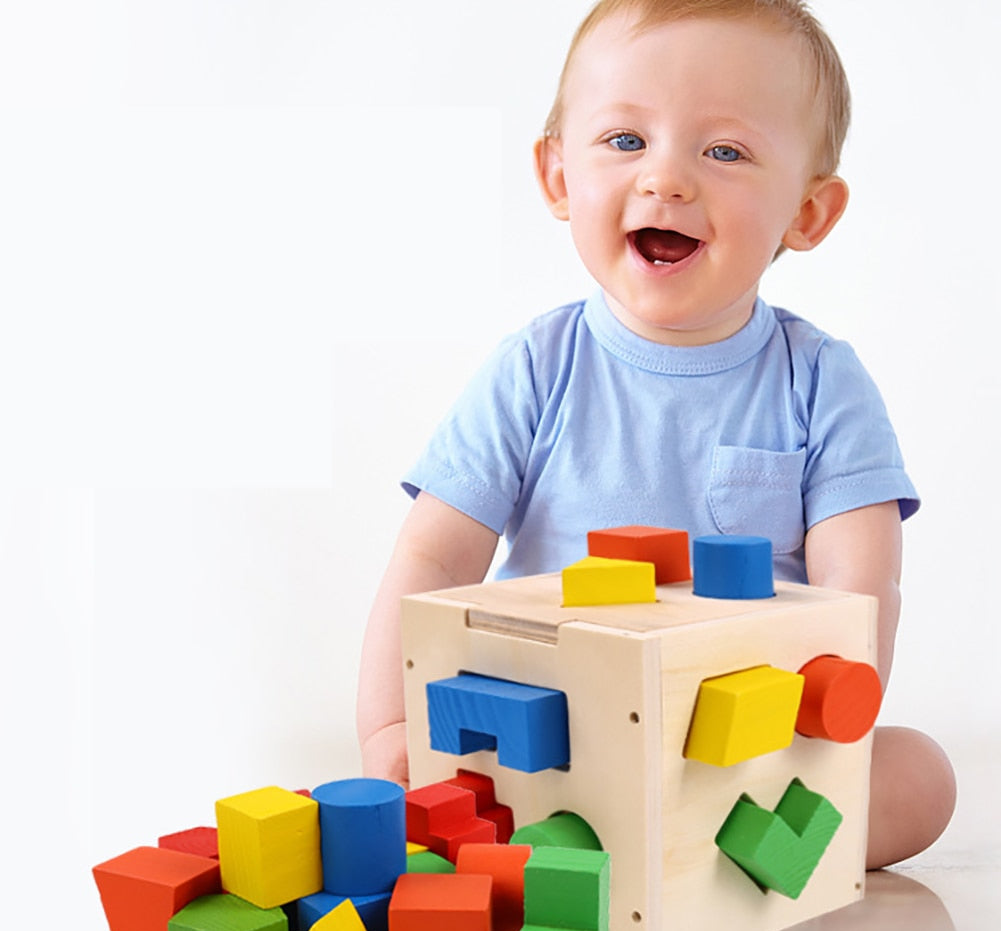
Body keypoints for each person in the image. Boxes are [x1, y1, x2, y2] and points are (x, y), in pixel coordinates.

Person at [356, 0, 956, 869]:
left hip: (742, 749)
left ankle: (683, 852)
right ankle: (663, 858)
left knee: (920, 777)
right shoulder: (533, 369)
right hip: (552, 736)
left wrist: (816, 737)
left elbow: (859, 589)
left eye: (725, 152)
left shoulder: (821, 380)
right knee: (483, 788)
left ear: (807, 213)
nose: (666, 179)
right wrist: (389, 728)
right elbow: (432, 557)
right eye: (626, 140)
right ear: (558, 177)